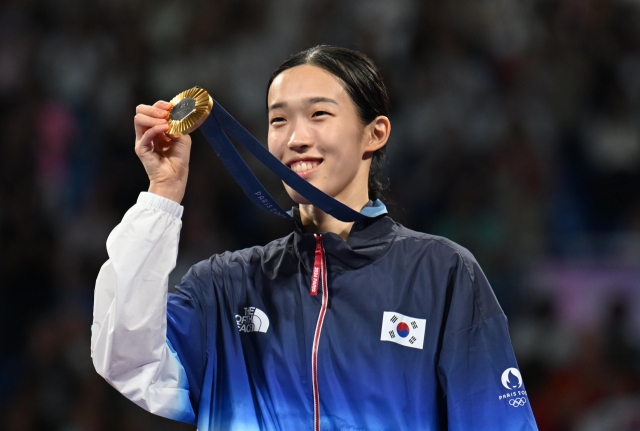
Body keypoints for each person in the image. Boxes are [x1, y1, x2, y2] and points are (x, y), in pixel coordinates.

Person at [91, 45, 539, 431]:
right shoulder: (226, 285)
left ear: (375, 133)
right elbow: (128, 360)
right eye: (279, 120)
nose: (297, 138)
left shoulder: (440, 274)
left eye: (319, 114)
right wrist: (163, 195)